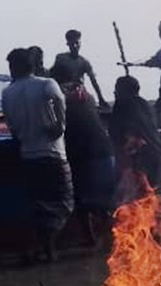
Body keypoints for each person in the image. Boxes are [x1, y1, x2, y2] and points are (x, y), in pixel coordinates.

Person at [1, 48, 72, 263]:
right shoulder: (45, 84)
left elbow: (11, 125)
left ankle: (45, 249)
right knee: (65, 203)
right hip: (53, 154)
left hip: (28, 155)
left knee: (39, 205)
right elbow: (59, 99)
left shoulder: (8, 92)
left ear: (13, 68)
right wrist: (60, 125)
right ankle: (44, 246)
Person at [51, 60, 114, 246]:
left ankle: (90, 238)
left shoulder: (59, 97)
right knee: (104, 199)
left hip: (79, 153)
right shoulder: (88, 95)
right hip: (103, 150)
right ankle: (112, 237)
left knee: (81, 200)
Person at [110, 75, 161, 194]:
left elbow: (130, 136)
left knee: (133, 200)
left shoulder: (122, 104)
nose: (114, 92)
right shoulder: (146, 105)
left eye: (117, 89)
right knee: (151, 198)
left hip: (137, 161)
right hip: (156, 157)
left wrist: (128, 167)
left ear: (124, 91)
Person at [53, 29, 108, 107]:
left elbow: (93, 81)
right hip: (63, 94)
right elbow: (53, 76)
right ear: (68, 44)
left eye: (77, 43)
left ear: (80, 43)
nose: (75, 46)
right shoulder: (61, 59)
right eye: (72, 44)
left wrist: (101, 99)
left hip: (79, 95)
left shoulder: (84, 62)